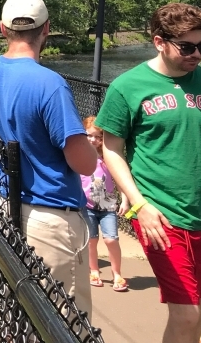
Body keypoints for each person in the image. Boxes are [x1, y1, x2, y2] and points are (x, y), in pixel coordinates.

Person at [0, 0, 97, 317]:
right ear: (46, 29)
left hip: (4, 206)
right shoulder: (51, 84)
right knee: (62, 320)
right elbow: (83, 164)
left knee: (16, 314)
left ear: (2, 29)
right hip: (52, 215)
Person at [96, 3, 201, 343]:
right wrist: (139, 204)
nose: (197, 54)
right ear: (159, 42)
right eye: (187, 47)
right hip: (161, 214)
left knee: (197, 311)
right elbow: (111, 148)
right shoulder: (128, 87)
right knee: (187, 313)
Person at [81, 116, 128, 292]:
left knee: (111, 240)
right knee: (92, 240)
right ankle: (94, 270)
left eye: (98, 137)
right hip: (87, 205)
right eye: (89, 135)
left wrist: (125, 199)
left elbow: (120, 178)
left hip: (108, 207)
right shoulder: (82, 155)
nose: (93, 140)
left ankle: (117, 274)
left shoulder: (108, 157)